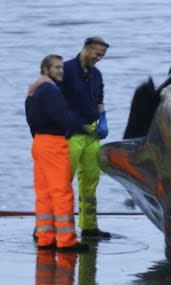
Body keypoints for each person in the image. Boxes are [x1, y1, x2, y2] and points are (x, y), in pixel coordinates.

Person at [25, 54, 88, 252]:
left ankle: (45, 237)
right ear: (45, 69)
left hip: (38, 143)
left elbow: (30, 118)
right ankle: (66, 240)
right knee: (62, 192)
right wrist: (79, 128)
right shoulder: (50, 91)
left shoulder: (33, 90)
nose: (61, 70)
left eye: (62, 67)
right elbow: (62, 116)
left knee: (44, 193)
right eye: (57, 67)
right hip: (53, 143)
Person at [60, 36, 110, 239]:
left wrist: (103, 119)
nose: (99, 58)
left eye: (102, 55)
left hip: (91, 133)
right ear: (86, 49)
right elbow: (56, 101)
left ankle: (89, 227)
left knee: (91, 180)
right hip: (71, 134)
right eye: (97, 54)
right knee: (63, 182)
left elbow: (99, 100)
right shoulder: (66, 70)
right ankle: (53, 228)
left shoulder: (96, 75)